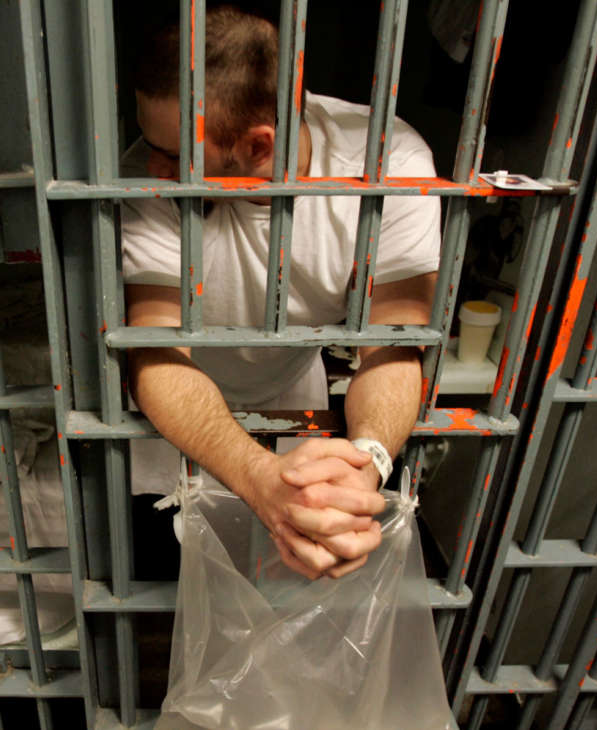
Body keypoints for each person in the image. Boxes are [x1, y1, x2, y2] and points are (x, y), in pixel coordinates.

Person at [122, 6, 441, 580]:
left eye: (172, 157)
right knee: (172, 578)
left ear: (258, 146)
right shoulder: (146, 178)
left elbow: (395, 344)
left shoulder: (388, 162)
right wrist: (256, 478)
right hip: (170, 408)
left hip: (293, 393)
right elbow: (156, 350)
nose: (149, 167)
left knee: (287, 578)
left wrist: (365, 467)